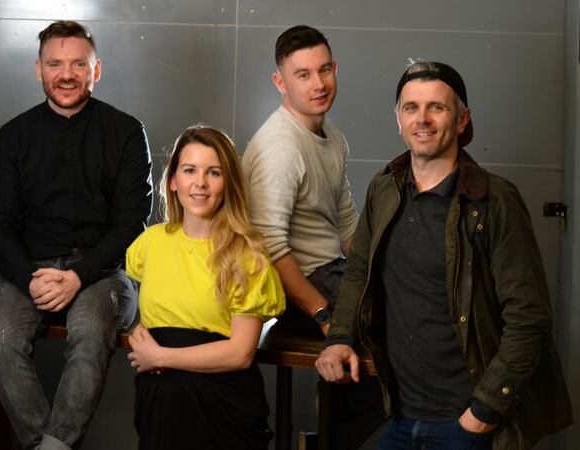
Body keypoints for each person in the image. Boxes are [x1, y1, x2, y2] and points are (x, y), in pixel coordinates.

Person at [316, 60, 573, 449]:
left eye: (436, 107)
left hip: (465, 423)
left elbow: (529, 317)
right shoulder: (384, 189)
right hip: (398, 417)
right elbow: (359, 271)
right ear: (398, 120)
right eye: (411, 108)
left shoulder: (495, 200)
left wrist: (484, 411)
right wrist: (338, 336)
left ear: (462, 119)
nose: (422, 119)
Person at [0, 20, 152, 450]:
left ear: (97, 70)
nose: (67, 74)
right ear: (38, 69)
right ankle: (48, 446)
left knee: (91, 333)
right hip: (28, 269)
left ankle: (51, 448)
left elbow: (132, 223)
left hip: (102, 272)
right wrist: (29, 279)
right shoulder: (13, 135)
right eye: (55, 64)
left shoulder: (127, 132)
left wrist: (78, 275)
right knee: (0, 340)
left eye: (79, 64)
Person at [241, 24, 383, 447]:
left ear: (335, 69)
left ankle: (334, 436)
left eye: (324, 70)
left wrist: (382, 271)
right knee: (394, 326)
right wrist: (324, 316)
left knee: (411, 301)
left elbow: (347, 223)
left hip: (332, 270)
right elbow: (268, 249)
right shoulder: (280, 147)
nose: (318, 84)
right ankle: (339, 439)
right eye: (302, 74)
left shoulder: (332, 136)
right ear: (280, 82)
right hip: (295, 286)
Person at [125, 125, 285, 450]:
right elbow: (158, 306)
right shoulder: (149, 244)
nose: (200, 182)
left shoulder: (247, 255)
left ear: (228, 183)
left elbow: (240, 353)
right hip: (159, 406)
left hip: (221, 407)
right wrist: (141, 331)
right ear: (173, 180)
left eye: (214, 172)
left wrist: (160, 356)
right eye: (189, 170)